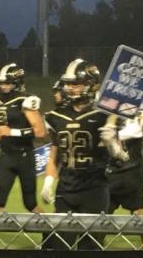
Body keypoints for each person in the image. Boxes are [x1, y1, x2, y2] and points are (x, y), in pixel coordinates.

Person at [40, 58, 129, 250]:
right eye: (68, 84)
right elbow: (55, 153)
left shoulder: (104, 115)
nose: (70, 88)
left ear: (91, 84)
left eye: (76, 84)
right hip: (65, 189)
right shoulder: (55, 117)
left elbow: (122, 158)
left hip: (94, 190)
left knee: (90, 247)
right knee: (58, 245)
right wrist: (48, 181)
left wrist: (112, 143)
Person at [0, 63, 46, 249]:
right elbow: (2, 131)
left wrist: (14, 132)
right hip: (7, 157)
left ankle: (48, 234)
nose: (2, 86)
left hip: (25, 157)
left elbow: (40, 132)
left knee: (30, 204)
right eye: (1, 83)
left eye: (6, 83)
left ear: (16, 82)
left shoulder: (26, 101)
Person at [105, 113, 143, 250]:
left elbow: (132, 132)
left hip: (131, 173)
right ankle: (94, 245)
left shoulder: (134, 122)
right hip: (111, 174)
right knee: (102, 214)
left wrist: (109, 129)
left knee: (138, 212)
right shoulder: (107, 121)